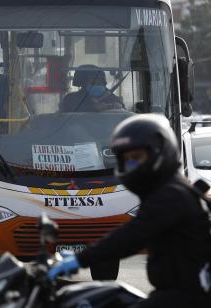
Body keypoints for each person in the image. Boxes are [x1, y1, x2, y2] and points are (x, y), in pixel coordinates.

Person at [47, 114, 211, 307]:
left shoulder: (171, 195)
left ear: (161, 152)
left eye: (137, 157)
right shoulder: (173, 190)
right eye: (126, 160)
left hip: (187, 298)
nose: (132, 165)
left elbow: (131, 236)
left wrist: (81, 259)